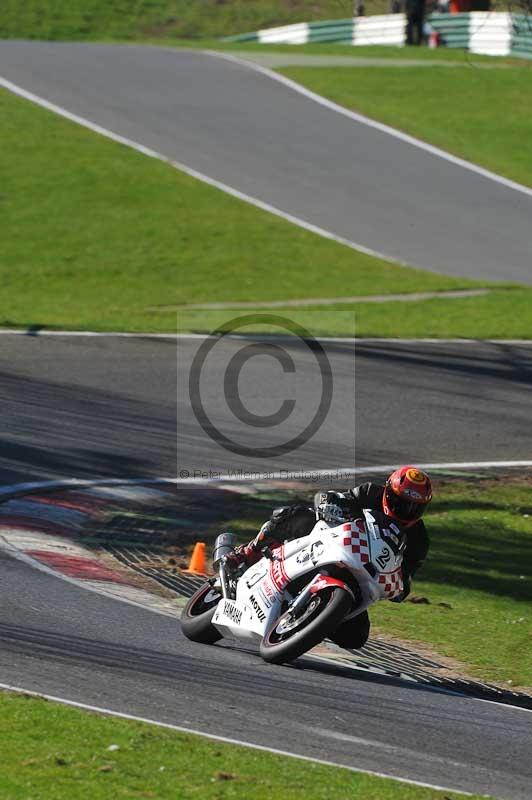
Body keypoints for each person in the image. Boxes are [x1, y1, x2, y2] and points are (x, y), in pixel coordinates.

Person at [226, 466, 432, 650]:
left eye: (415, 507)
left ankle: (314, 619)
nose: (407, 511)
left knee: (356, 638)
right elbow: (328, 498)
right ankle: (248, 552)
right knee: (298, 515)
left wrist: (399, 588)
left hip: (360, 575)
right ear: (388, 491)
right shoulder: (370, 493)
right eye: (400, 503)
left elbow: (406, 576)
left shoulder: (419, 540)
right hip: (333, 542)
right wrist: (330, 503)